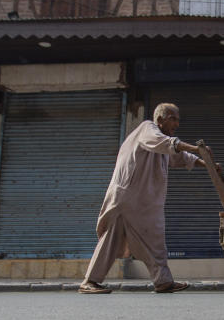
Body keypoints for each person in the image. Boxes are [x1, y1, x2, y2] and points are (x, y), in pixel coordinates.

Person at [78, 103, 213, 294]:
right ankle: (90, 281)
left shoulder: (162, 144)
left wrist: (206, 163)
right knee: (111, 239)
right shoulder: (147, 129)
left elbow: (180, 157)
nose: (176, 123)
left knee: (155, 241)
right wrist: (197, 149)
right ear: (160, 119)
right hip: (127, 198)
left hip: (143, 203)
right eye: (172, 118)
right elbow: (169, 144)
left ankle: (163, 281)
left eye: (178, 119)